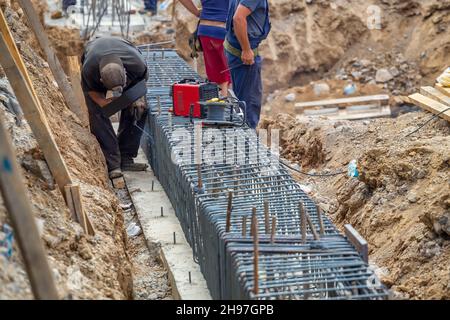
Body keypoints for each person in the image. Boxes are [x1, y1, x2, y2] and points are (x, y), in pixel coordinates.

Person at [81, 36, 149, 179]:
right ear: (100, 80)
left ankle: (126, 157)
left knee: (138, 109)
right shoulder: (89, 70)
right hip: (94, 55)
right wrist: (102, 102)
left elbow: (142, 82)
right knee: (97, 115)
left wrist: (137, 98)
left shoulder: (137, 64)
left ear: (125, 72)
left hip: (125, 59)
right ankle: (112, 164)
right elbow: (91, 92)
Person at [225, 0, 271, 129]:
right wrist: (246, 49)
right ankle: (247, 141)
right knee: (249, 105)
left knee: (241, 102)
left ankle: (242, 135)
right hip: (243, 54)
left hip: (235, 48)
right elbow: (238, 18)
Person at [178, 0, 231, 96]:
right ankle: (227, 106)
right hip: (224, 29)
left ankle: (218, 104)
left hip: (205, 29)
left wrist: (196, 12)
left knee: (215, 75)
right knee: (228, 75)